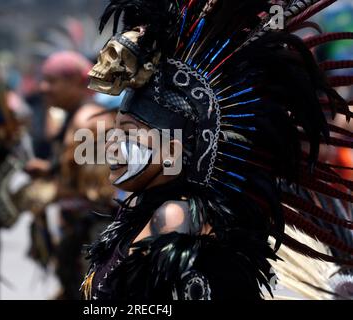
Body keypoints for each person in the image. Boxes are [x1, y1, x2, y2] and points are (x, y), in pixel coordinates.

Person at [82, 0, 353, 300]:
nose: (110, 146)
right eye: (116, 130)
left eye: (128, 133)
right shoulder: (145, 208)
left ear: (172, 152)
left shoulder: (176, 217)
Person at [24, 51, 117, 299]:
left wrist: (48, 191)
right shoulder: (75, 116)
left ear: (77, 82)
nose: (44, 88)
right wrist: (49, 170)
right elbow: (77, 170)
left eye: (52, 81)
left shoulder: (90, 121)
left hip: (93, 232)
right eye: (43, 80)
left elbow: (99, 189)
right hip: (78, 231)